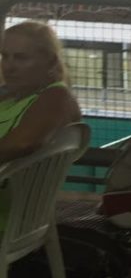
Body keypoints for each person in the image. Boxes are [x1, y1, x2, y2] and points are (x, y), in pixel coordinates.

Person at [0, 22, 83, 233]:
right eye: (4, 56)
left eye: (21, 58)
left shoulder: (56, 97)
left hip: (10, 217)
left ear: (50, 61)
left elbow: (23, 143)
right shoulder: (10, 96)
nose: (8, 66)